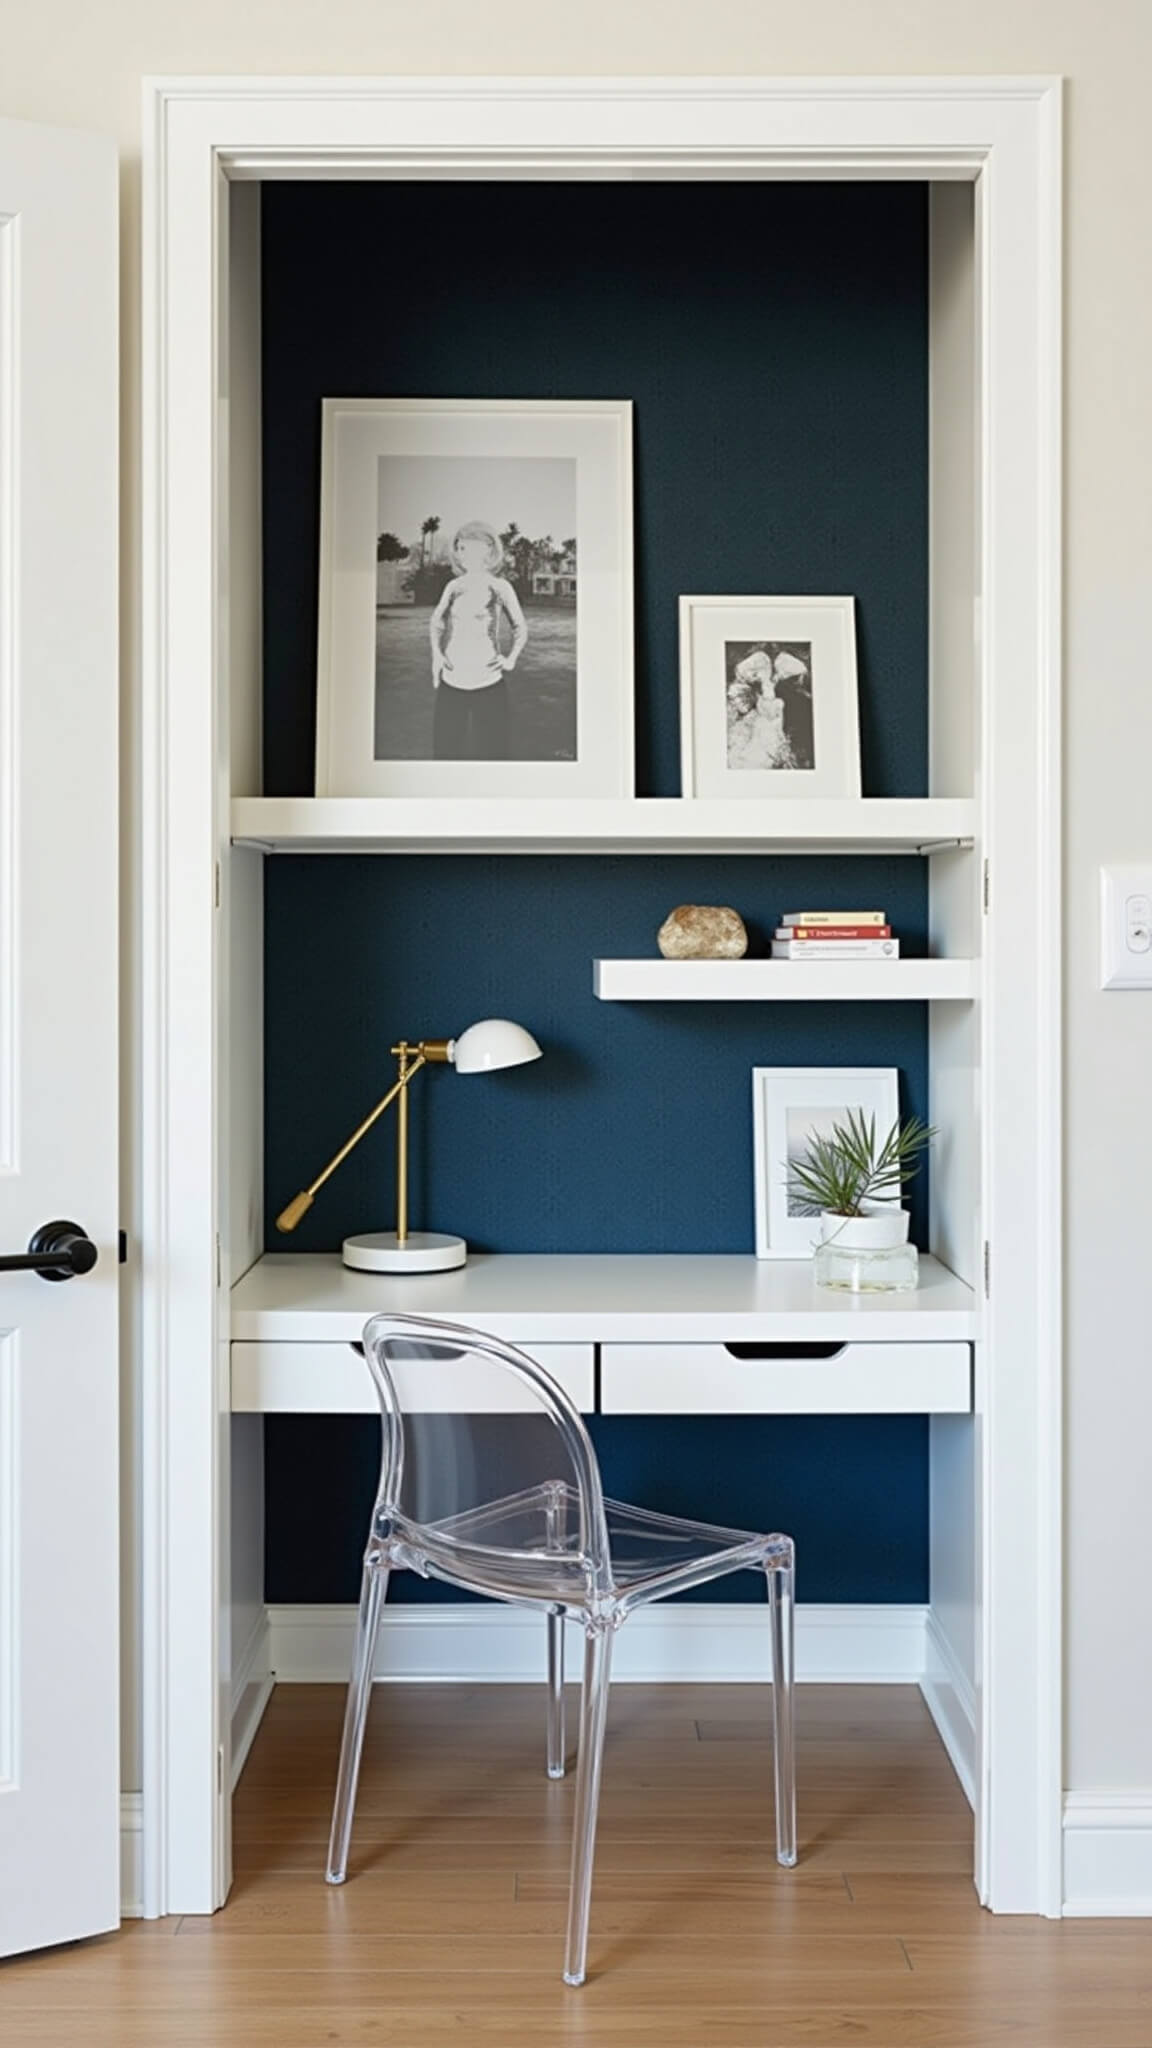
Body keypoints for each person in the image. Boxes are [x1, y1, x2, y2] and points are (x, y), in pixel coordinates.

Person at [428, 522, 528, 760]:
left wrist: (511, 659)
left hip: (489, 680)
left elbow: (520, 626)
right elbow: (436, 622)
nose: (460, 553)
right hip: (452, 680)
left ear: (487, 549)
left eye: (466, 547)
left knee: (494, 753)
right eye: (459, 548)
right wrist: (437, 656)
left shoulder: (500, 587)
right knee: (445, 752)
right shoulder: (453, 586)